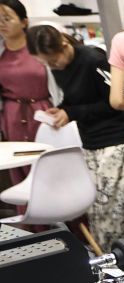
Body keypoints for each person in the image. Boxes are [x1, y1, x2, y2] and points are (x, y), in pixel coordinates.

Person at [26, 26, 124, 265]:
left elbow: (115, 103)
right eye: (47, 64)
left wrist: (71, 112)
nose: (54, 66)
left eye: (53, 60)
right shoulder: (61, 67)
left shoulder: (94, 60)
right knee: (99, 206)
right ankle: (111, 260)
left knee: (120, 204)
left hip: (117, 139)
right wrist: (62, 109)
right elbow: (76, 98)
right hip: (91, 141)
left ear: (63, 45)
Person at [0, 0, 51, 184]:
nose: (1, 24)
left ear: (24, 22)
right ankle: (28, 212)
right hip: (11, 116)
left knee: (50, 166)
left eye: (7, 18)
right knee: (20, 172)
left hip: (45, 112)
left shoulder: (40, 45)